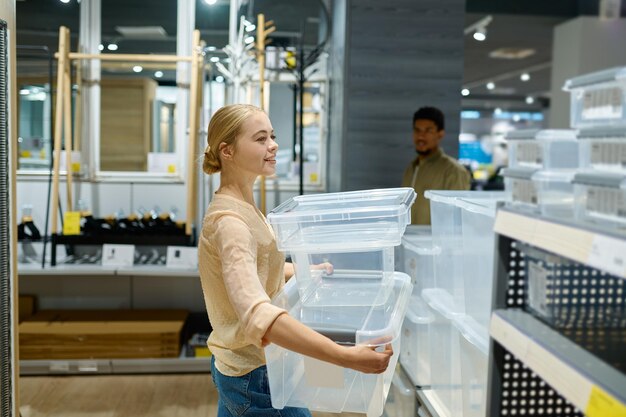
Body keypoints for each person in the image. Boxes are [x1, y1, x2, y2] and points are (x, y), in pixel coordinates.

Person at [199, 104, 393, 417]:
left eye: (272, 136)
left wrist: (300, 270)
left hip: (247, 368)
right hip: (255, 377)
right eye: (261, 139)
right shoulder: (230, 223)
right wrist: (346, 357)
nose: (273, 145)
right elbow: (257, 315)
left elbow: (252, 268)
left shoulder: (243, 206)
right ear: (228, 151)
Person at [401, 106, 471, 225]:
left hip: (434, 242)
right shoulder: (411, 168)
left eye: (428, 130)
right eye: (417, 130)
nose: (421, 136)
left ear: (440, 134)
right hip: (408, 240)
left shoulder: (453, 171)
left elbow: (458, 219)